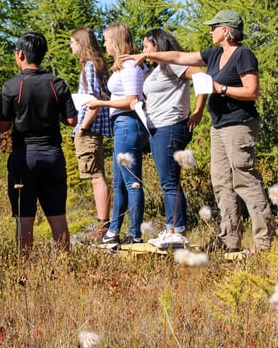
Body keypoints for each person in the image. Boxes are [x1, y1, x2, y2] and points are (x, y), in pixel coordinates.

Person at [121, 10, 275, 253]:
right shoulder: (214, 54)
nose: (210, 30)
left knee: (244, 179)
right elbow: (179, 56)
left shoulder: (243, 54)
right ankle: (229, 240)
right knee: (222, 183)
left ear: (226, 30)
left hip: (239, 124)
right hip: (219, 125)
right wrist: (147, 54)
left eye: (214, 27)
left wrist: (220, 87)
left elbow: (252, 91)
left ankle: (263, 242)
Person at [0, 32, 78, 256]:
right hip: (52, 154)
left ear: (20, 54)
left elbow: (2, 126)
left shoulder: (11, 86)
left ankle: (25, 264)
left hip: (24, 157)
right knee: (57, 214)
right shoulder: (57, 83)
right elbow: (72, 120)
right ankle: (65, 262)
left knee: (24, 216)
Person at [139, 28, 207, 249]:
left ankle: (178, 232)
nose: (143, 51)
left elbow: (202, 77)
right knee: (168, 181)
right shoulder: (159, 68)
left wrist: (198, 111)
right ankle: (171, 230)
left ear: (157, 45)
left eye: (146, 47)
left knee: (170, 182)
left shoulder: (173, 64)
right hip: (158, 128)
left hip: (169, 127)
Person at [86, 22, 149, 249]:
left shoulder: (131, 66)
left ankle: (135, 234)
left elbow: (132, 100)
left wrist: (102, 103)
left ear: (116, 41)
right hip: (122, 125)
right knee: (120, 182)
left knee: (131, 182)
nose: (104, 44)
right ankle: (114, 231)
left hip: (127, 123)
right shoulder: (128, 65)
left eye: (107, 40)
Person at [69, 27, 113, 240]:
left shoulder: (90, 67)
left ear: (82, 43)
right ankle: (102, 223)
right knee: (95, 175)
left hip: (90, 129)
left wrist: (83, 127)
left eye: (73, 42)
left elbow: (94, 101)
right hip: (92, 128)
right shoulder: (95, 66)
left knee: (96, 176)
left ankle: (102, 225)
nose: (71, 46)